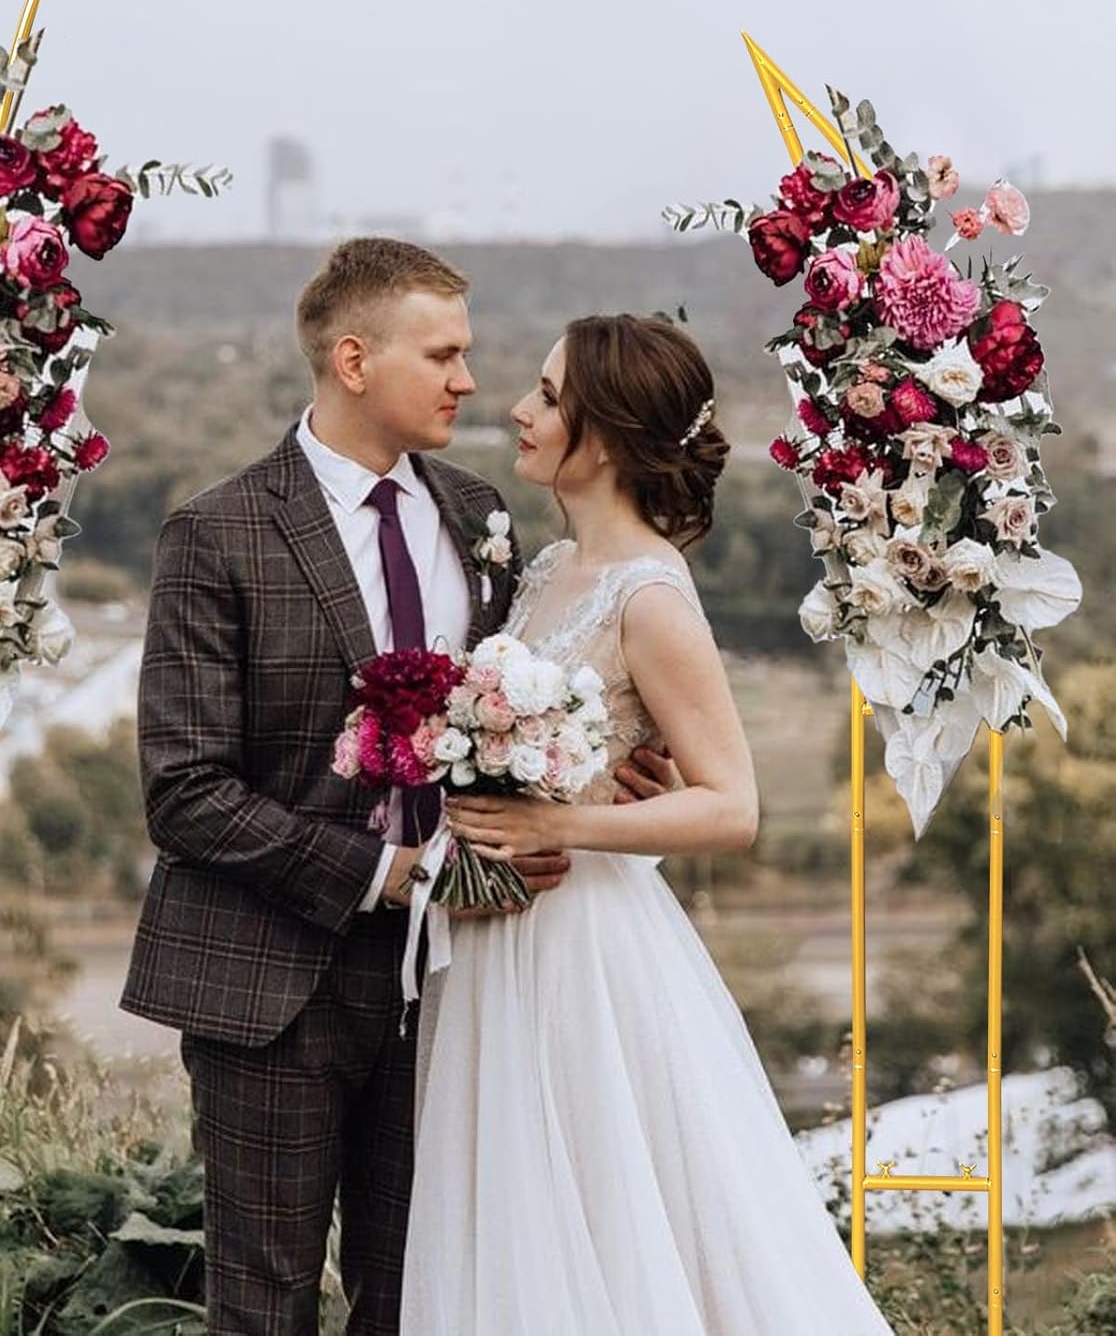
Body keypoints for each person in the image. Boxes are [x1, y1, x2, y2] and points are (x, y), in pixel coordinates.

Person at [122, 242, 675, 1332]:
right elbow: (183, 791)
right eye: (443, 355)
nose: (469, 380)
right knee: (263, 1308)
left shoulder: (482, 517)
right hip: (269, 983)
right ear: (354, 360)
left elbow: (521, 716)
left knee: (425, 1301)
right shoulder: (218, 531)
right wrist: (395, 874)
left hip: (459, 984)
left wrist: (601, 780)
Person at [401, 313, 895, 1334]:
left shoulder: (651, 597)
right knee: (522, 1212)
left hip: (583, 949)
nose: (518, 409)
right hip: (499, 938)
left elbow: (731, 804)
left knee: (609, 1202)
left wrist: (557, 824)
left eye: (548, 397)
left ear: (612, 436)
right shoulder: (545, 569)